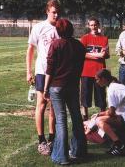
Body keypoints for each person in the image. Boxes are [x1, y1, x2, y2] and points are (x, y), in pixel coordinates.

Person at [44, 19, 87, 165]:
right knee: (76, 118)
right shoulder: (79, 46)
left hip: (57, 86)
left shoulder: (56, 44)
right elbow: (80, 67)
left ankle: (61, 157)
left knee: (61, 121)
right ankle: (79, 151)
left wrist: (45, 89)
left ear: (58, 30)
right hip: (73, 86)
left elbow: (49, 70)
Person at [26, 0, 61, 156]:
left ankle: (52, 138)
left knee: (54, 106)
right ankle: (41, 141)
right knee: (41, 104)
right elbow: (30, 50)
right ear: (47, 11)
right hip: (42, 72)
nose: (56, 14)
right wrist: (28, 71)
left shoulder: (62, 27)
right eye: (53, 12)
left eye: (58, 12)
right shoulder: (39, 27)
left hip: (58, 73)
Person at [89, 69, 125, 156]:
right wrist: (99, 114)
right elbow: (112, 111)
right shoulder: (116, 85)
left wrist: (99, 116)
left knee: (99, 121)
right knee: (98, 119)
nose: (96, 82)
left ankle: (119, 144)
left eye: (97, 79)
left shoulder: (111, 89)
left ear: (103, 79)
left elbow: (111, 113)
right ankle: (118, 142)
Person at [80, 17, 110, 121]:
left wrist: (104, 54)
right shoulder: (85, 38)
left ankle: (102, 117)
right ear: (89, 26)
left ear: (98, 25)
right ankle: (85, 117)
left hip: (100, 71)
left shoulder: (104, 38)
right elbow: (81, 54)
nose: (94, 27)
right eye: (91, 25)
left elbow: (106, 55)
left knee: (101, 96)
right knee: (85, 96)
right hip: (86, 71)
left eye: (95, 25)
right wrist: (97, 55)